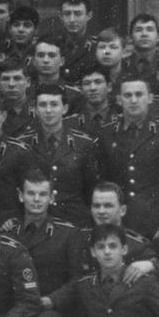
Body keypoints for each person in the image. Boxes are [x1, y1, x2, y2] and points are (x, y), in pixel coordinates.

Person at [2, 169, 86, 317]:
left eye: (42, 194)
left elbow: (78, 279)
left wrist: (52, 300)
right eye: (31, 193)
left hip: (50, 307)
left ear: (52, 197)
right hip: (16, 306)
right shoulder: (8, 232)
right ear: (21, 196)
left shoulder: (68, 233)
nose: (37, 199)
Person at [95, 76, 159, 238]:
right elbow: (104, 180)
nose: (133, 100)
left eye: (139, 94)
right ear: (119, 100)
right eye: (128, 95)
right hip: (119, 219)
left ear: (150, 98)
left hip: (157, 218)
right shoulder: (107, 133)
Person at [15, 84, 98, 226]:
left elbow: (90, 189)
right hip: (36, 222)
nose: (48, 110)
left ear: (64, 108)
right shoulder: (23, 144)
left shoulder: (84, 144)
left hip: (76, 221)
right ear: (35, 109)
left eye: (54, 104)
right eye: (43, 105)